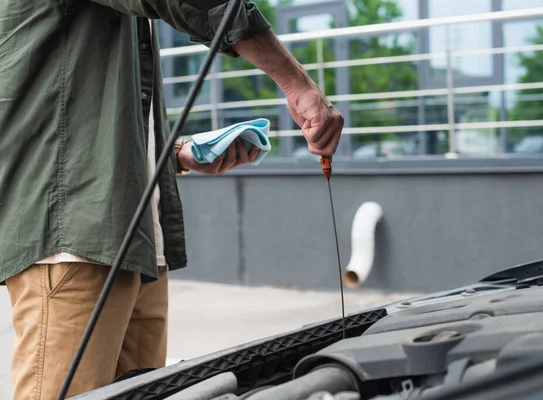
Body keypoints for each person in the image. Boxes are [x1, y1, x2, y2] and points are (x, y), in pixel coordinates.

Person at [0, 0, 344, 399]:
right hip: (75, 235)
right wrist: (297, 83)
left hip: (131, 232)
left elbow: (83, 99)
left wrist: (175, 151)